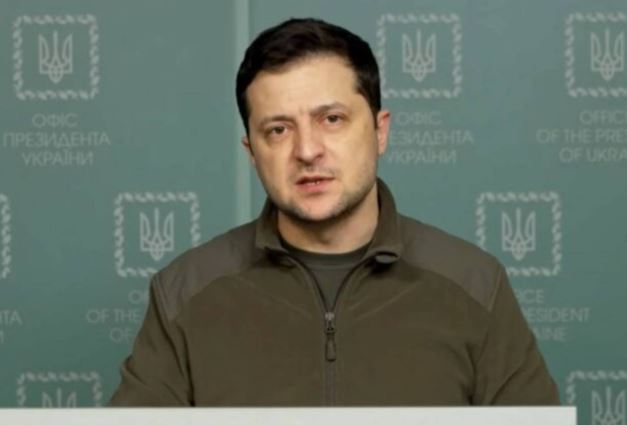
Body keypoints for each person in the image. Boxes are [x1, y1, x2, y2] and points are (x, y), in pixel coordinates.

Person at [110, 17, 559, 406]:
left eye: (332, 119)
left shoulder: (475, 285)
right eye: (278, 129)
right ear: (252, 152)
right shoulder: (184, 293)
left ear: (380, 131)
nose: (307, 150)